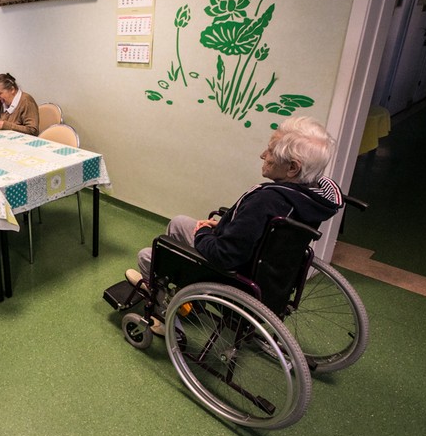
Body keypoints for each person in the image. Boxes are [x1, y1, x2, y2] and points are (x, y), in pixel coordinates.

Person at [126, 116, 342, 327]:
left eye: (270, 151)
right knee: (179, 222)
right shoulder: (310, 198)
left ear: (293, 168)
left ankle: (165, 316)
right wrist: (225, 226)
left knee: (149, 255)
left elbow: (224, 256)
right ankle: (180, 291)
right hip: (269, 276)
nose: (262, 155)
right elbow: (258, 231)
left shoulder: (266, 201)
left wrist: (203, 233)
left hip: (235, 278)